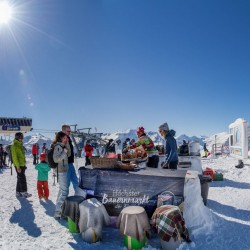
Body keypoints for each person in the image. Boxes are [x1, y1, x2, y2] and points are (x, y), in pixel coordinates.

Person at [53, 131, 71, 218]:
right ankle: (58, 211)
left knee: (62, 190)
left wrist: (66, 145)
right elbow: (56, 159)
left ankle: (58, 208)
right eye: (64, 138)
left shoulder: (63, 146)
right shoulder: (58, 147)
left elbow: (69, 154)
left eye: (66, 138)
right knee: (65, 191)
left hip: (64, 170)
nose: (66, 139)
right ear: (60, 138)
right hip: (61, 171)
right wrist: (64, 152)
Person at [11, 132, 32, 198]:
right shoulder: (14, 145)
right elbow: (14, 157)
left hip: (22, 164)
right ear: (17, 137)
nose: (22, 139)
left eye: (22, 137)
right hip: (18, 165)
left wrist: (24, 163)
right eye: (20, 137)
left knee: (19, 178)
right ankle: (24, 192)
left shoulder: (20, 144)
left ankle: (18, 192)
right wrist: (17, 167)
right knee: (22, 178)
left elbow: (22, 155)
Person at [62, 124, 78, 191]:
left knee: (75, 180)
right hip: (65, 164)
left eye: (70, 131)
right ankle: (64, 199)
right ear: (63, 131)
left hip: (70, 163)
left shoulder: (68, 138)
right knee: (67, 182)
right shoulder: (61, 139)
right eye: (68, 131)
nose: (70, 132)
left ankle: (78, 195)